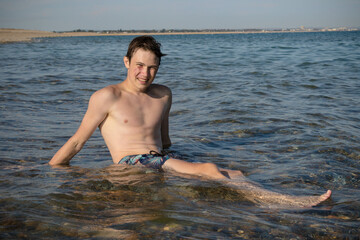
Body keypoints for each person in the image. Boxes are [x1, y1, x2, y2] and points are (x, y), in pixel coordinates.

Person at [49, 36, 331, 208]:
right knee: (208, 169)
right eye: (139, 65)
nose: (145, 73)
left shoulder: (163, 95)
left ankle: (264, 201)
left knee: (234, 173)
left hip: (159, 159)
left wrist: (179, 163)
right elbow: (77, 141)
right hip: (131, 164)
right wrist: (51, 169)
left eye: (152, 68)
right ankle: (284, 204)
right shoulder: (107, 96)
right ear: (126, 62)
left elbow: (165, 141)